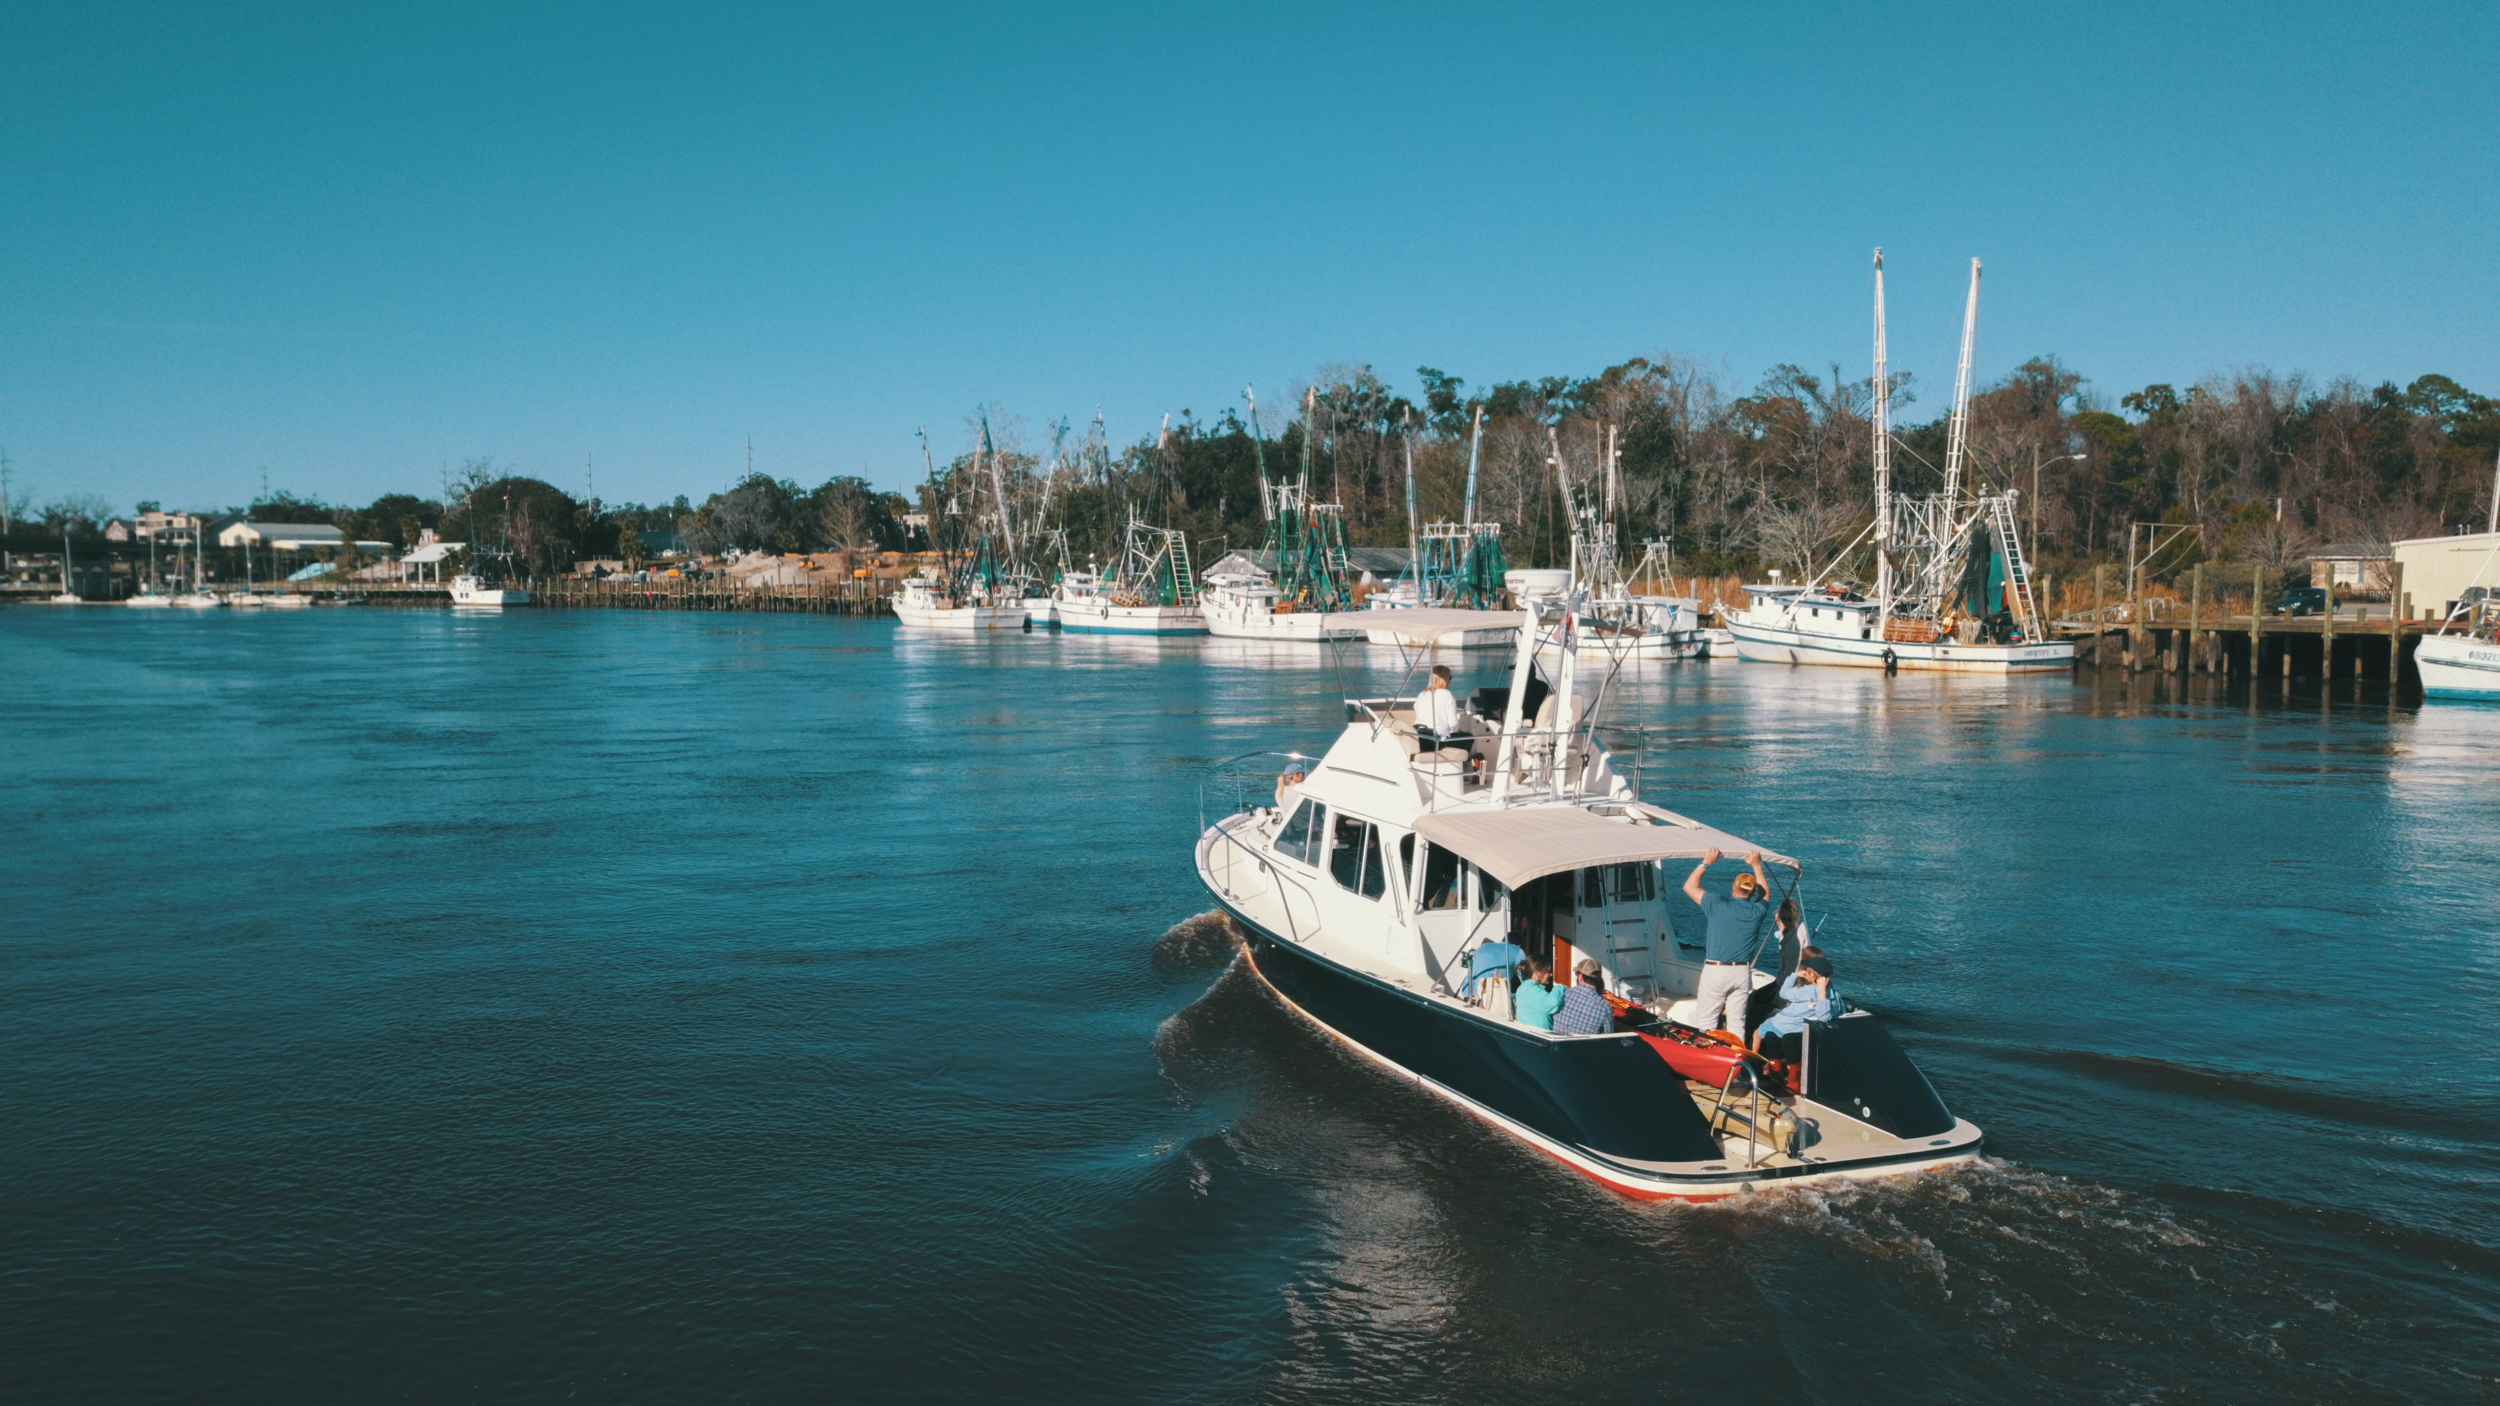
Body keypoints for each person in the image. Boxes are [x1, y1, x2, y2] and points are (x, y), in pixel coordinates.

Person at [1682, 846, 1771, 1041]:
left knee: (1706, 1022)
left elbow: (1689, 886)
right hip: (1742, 972)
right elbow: (1766, 895)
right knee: (1737, 1023)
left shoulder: (1717, 904)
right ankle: (1737, 1056)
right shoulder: (1757, 912)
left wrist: (1706, 863)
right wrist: (1756, 865)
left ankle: (1708, 1054)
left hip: (1717, 971)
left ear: (1734, 888)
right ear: (1752, 891)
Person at [1752, 949, 1833, 1063]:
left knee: (1757, 1033)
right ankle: (1776, 1066)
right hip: (1799, 1026)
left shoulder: (1804, 991)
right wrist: (1822, 989)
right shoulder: (1826, 993)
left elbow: (1783, 993)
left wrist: (1794, 975)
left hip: (1783, 1023)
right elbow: (1824, 1016)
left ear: (1811, 974)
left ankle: (1751, 1060)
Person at [1552, 957, 1614, 1036]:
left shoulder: (1564, 994)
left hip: (1557, 1042)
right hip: (1583, 1044)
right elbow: (1609, 1036)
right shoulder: (1605, 1008)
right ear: (1598, 980)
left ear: (1580, 977)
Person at [1414, 664, 1467, 755]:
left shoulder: (1422, 694)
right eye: (1450, 677)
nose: (1450, 680)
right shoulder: (1447, 695)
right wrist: (1456, 730)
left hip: (1420, 738)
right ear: (1446, 679)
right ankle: (1460, 761)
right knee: (1468, 737)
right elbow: (1453, 725)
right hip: (1437, 740)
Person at [1511, 956, 1564, 1031]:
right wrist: (1560, 987)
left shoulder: (1523, 987)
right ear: (1537, 973)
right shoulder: (1533, 990)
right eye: (1548, 971)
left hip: (1528, 1032)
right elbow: (1552, 1003)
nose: (1551, 975)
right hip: (1539, 1034)